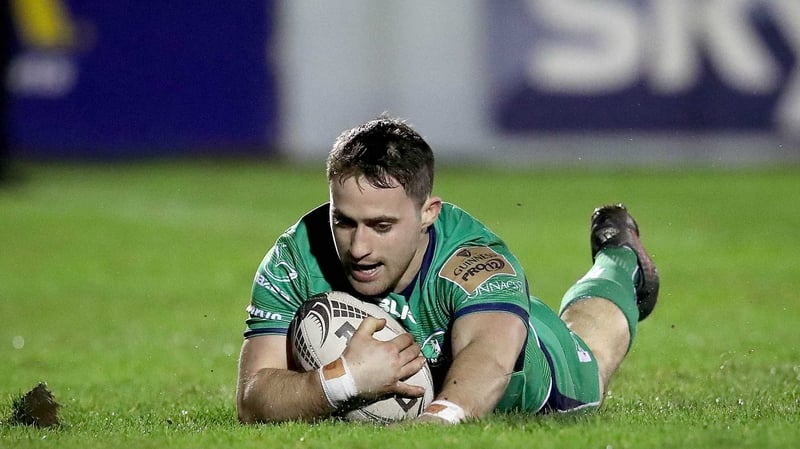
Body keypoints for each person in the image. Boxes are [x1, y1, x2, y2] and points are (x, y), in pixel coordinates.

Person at [236, 115, 659, 424]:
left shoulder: (474, 258)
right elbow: (252, 397)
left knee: (595, 348)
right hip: (483, 313)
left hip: (539, 368)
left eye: (382, 226)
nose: (359, 247)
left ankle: (619, 260)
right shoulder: (294, 258)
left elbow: (489, 359)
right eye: (344, 222)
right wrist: (341, 381)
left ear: (427, 213)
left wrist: (437, 421)